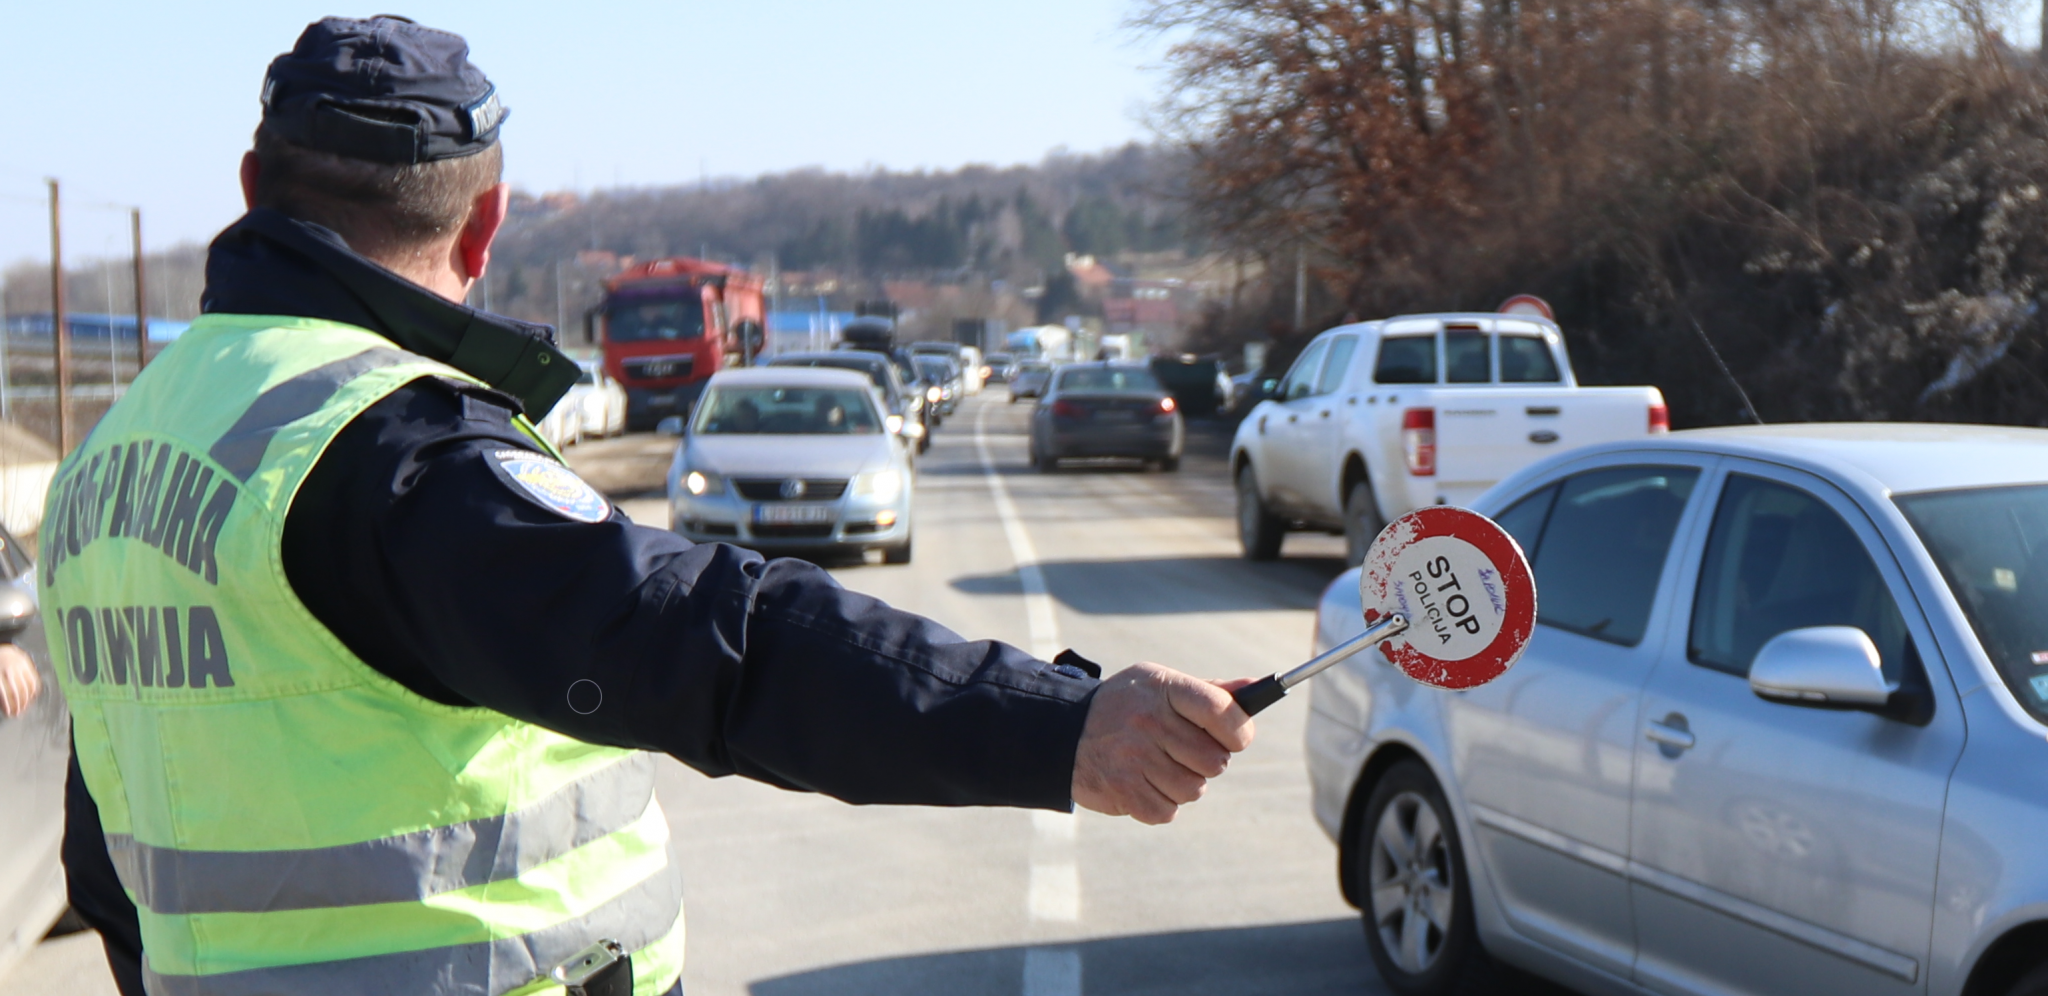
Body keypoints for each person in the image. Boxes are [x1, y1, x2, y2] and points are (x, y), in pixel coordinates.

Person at [46, 16, 1256, 996]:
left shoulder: (113, 459)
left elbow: (107, 854)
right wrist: (1059, 726)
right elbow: (720, 644)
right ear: (486, 221)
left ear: (253, 188)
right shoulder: (392, 451)